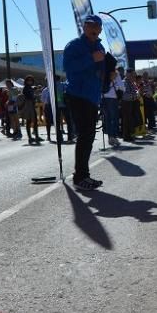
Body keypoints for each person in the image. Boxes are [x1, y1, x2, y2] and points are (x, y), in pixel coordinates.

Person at [63, 14, 107, 191]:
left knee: (88, 137)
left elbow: (101, 69)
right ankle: (80, 176)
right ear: (84, 27)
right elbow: (68, 68)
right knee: (84, 136)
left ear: (100, 29)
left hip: (92, 96)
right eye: (90, 25)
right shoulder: (74, 45)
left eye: (96, 26)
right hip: (77, 95)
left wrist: (108, 74)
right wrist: (91, 59)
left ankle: (84, 175)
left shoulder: (100, 46)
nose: (93, 29)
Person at [102, 55, 123, 145]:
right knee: (114, 118)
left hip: (103, 98)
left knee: (107, 118)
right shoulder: (116, 73)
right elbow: (122, 87)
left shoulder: (102, 72)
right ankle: (113, 137)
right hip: (113, 98)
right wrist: (117, 86)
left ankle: (109, 137)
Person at [21, 75, 42, 144]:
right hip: (28, 106)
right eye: (28, 80)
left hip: (31, 106)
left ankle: (34, 136)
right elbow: (28, 97)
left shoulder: (29, 88)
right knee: (30, 121)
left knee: (33, 121)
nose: (29, 81)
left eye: (31, 80)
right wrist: (34, 96)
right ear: (26, 81)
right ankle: (31, 137)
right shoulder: (26, 88)